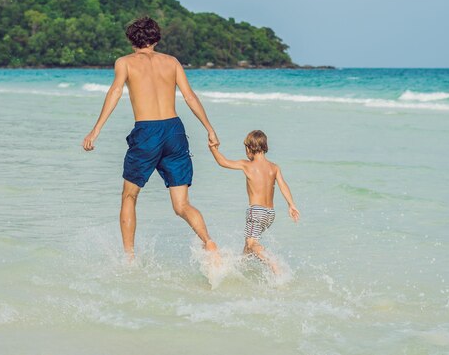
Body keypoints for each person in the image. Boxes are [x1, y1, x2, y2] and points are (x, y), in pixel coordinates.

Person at [82, 16, 220, 261]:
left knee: (129, 196)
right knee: (182, 205)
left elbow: (115, 92)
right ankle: (209, 243)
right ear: (156, 38)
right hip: (175, 130)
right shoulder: (172, 62)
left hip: (147, 132)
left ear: (131, 40)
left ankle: (129, 258)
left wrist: (96, 129)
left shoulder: (124, 62)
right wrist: (209, 128)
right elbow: (189, 97)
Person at [209, 130, 300, 273]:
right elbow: (283, 186)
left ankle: (273, 263)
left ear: (249, 148)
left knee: (252, 243)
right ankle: (240, 268)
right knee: (248, 244)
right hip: (269, 214)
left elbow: (223, 162)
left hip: (256, 212)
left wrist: (212, 148)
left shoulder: (247, 165)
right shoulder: (274, 167)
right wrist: (291, 205)